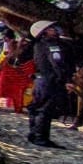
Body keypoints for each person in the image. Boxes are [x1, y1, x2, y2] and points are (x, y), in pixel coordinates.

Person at [26, 20, 70, 148]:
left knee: (36, 107)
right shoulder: (52, 46)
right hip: (49, 81)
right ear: (44, 32)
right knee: (45, 109)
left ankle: (33, 134)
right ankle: (41, 137)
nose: (55, 31)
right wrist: (66, 80)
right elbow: (57, 64)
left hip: (40, 80)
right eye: (51, 29)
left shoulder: (38, 45)